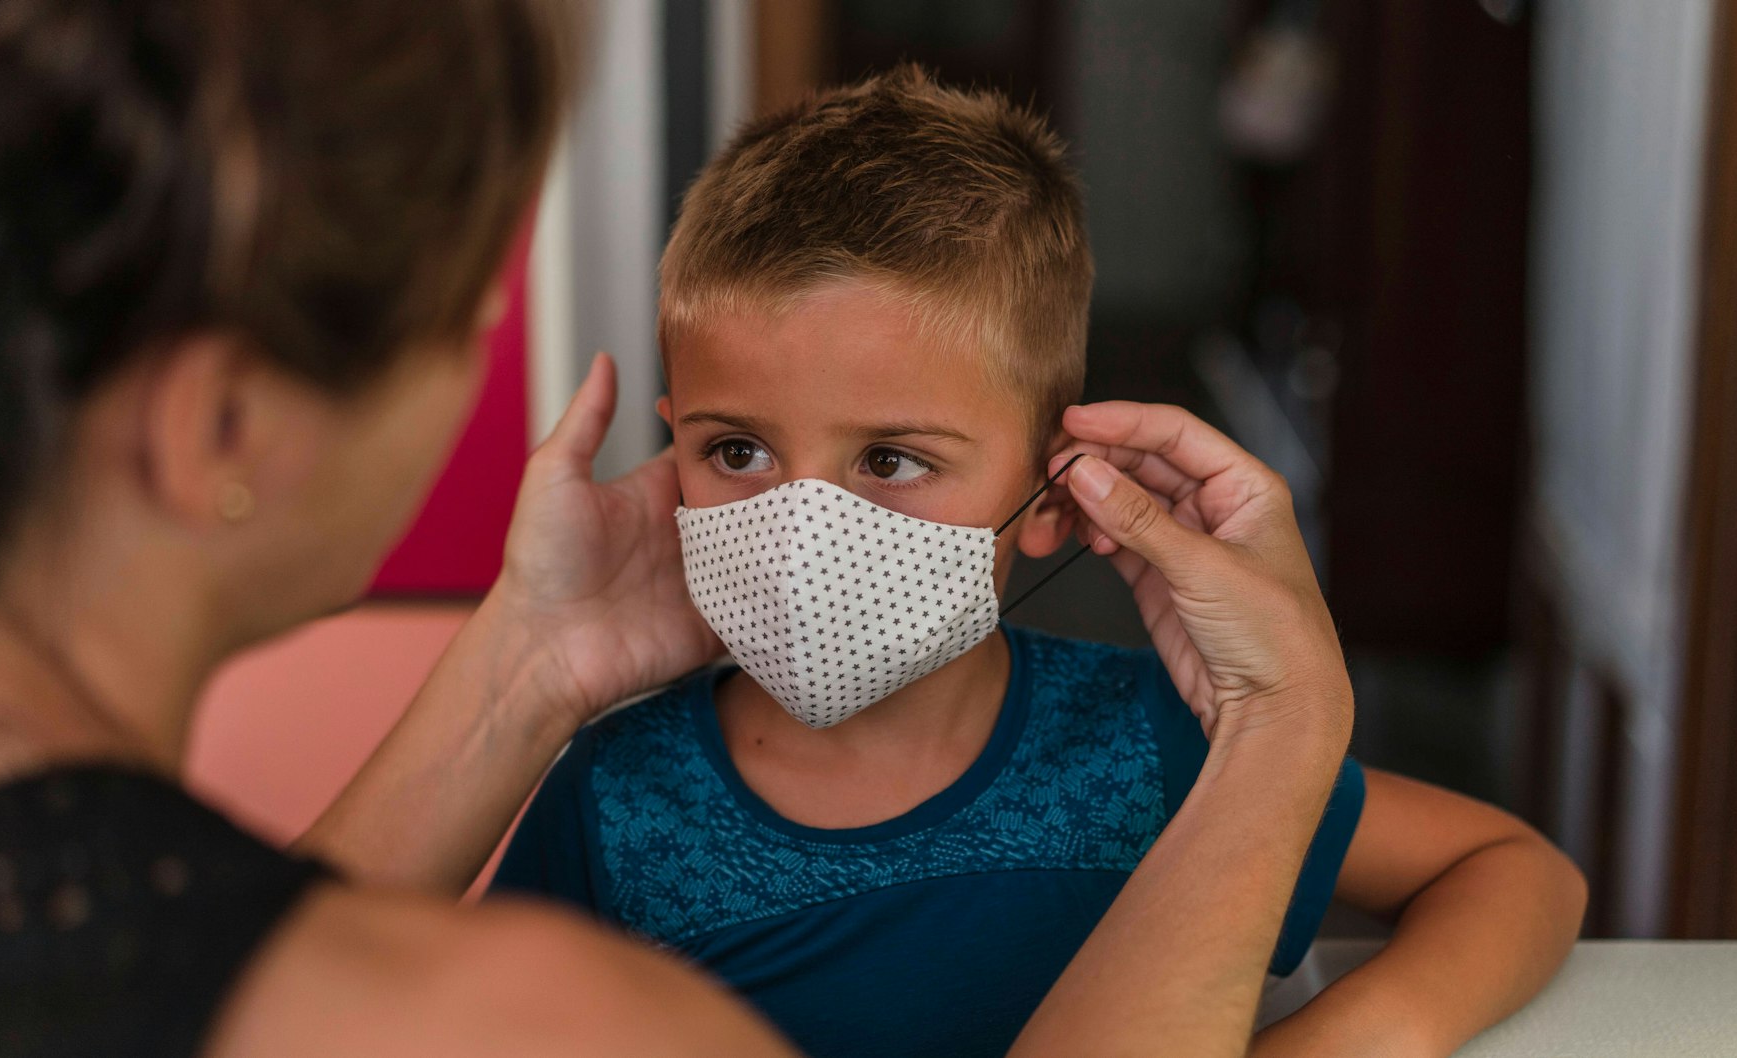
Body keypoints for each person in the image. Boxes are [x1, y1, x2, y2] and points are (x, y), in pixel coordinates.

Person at [0, 4, 1367, 1056]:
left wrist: (531, 659)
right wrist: (1286, 719)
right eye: (457, 312)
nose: (481, 352)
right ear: (221, 425)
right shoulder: (547, 1001)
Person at [494, 67, 1590, 1058]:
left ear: (1052, 494)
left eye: (889, 457)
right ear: (669, 439)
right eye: (735, 449)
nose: (800, 523)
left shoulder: (1154, 744)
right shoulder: (610, 801)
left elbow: (1509, 870)